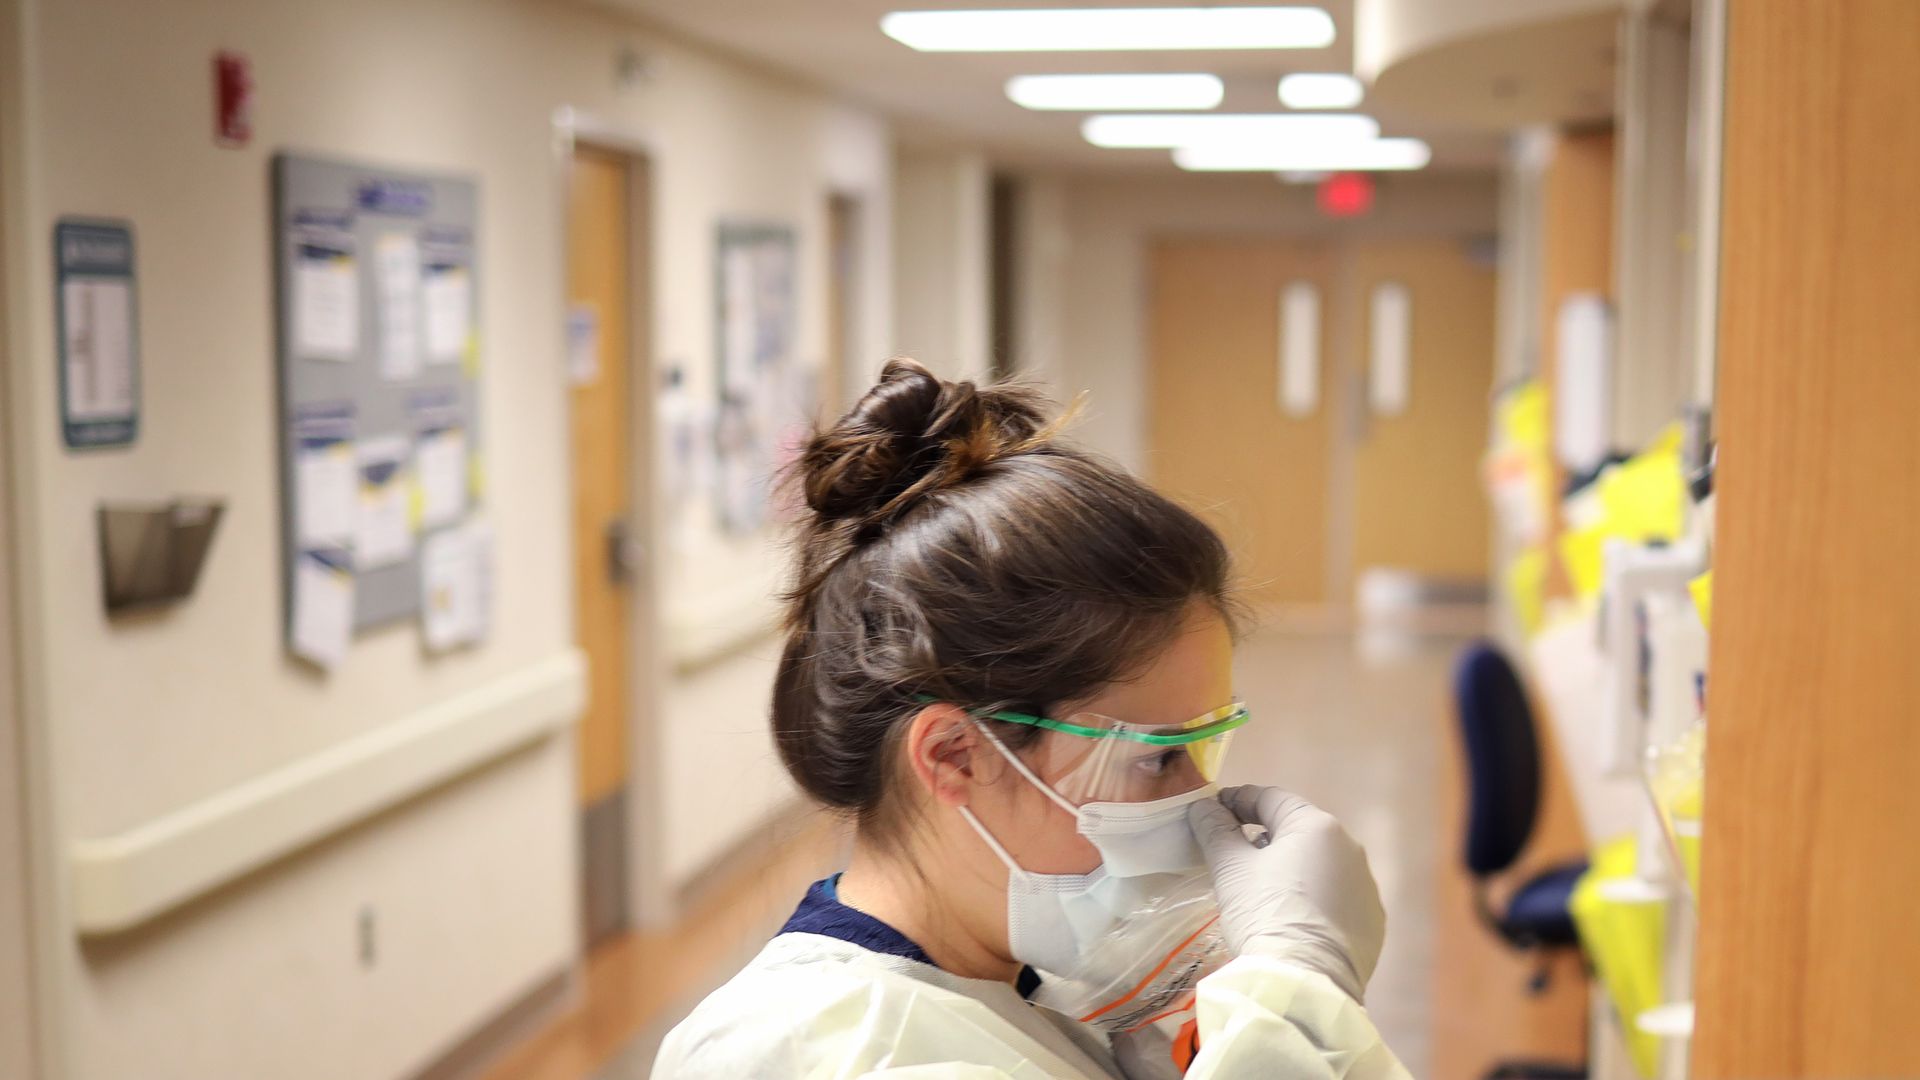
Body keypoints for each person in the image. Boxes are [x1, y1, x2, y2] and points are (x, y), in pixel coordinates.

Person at [655, 359, 1408, 1078]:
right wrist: (1298, 1000)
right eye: (1155, 757)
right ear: (954, 754)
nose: (1199, 806)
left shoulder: (1028, 977)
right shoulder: (824, 1053)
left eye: (1204, 750)